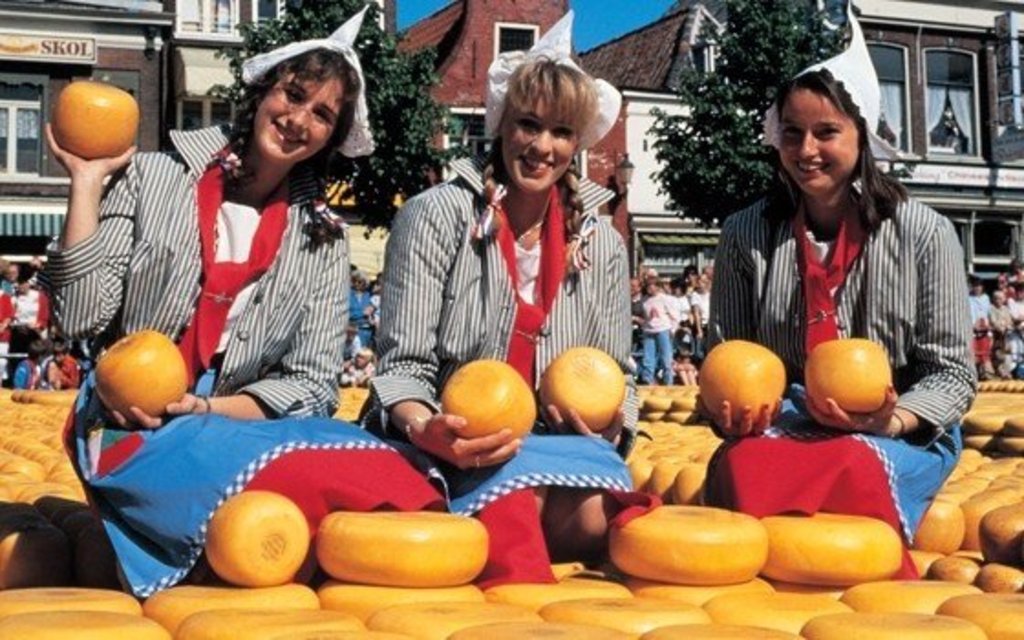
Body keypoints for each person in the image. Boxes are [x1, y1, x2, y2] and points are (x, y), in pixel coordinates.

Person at [42, 7, 441, 597]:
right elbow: (78, 317)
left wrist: (207, 409)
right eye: (294, 94)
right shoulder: (155, 177)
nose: (298, 119)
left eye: (322, 114)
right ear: (262, 93)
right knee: (283, 496)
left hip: (233, 426)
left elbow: (312, 386)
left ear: (332, 136)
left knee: (378, 462)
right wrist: (86, 181)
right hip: (128, 424)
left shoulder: (322, 238)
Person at [367, 12, 652, 587]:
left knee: (606, 521)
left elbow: (618, 373)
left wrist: (608, 429)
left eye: (561, 132)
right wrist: (427, 426)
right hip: (448, 442)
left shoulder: (602, 242)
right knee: (514, 508)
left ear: (578, 143)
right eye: (528, 124)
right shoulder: (435, 216)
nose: (542, 147)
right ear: (501, 124)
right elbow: (402, 367)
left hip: (557, 445)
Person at [702, 6, 974, 581]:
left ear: (862, 136)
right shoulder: (745, 233)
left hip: (902, 432)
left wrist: (892, 420)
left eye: (827, 133)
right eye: (792, 133)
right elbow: (728, 356)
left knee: (852, 461)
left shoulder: (925, 233)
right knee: (744, 462)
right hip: (790, 421)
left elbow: (952, 375)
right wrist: (730, 414)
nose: (807, 151)